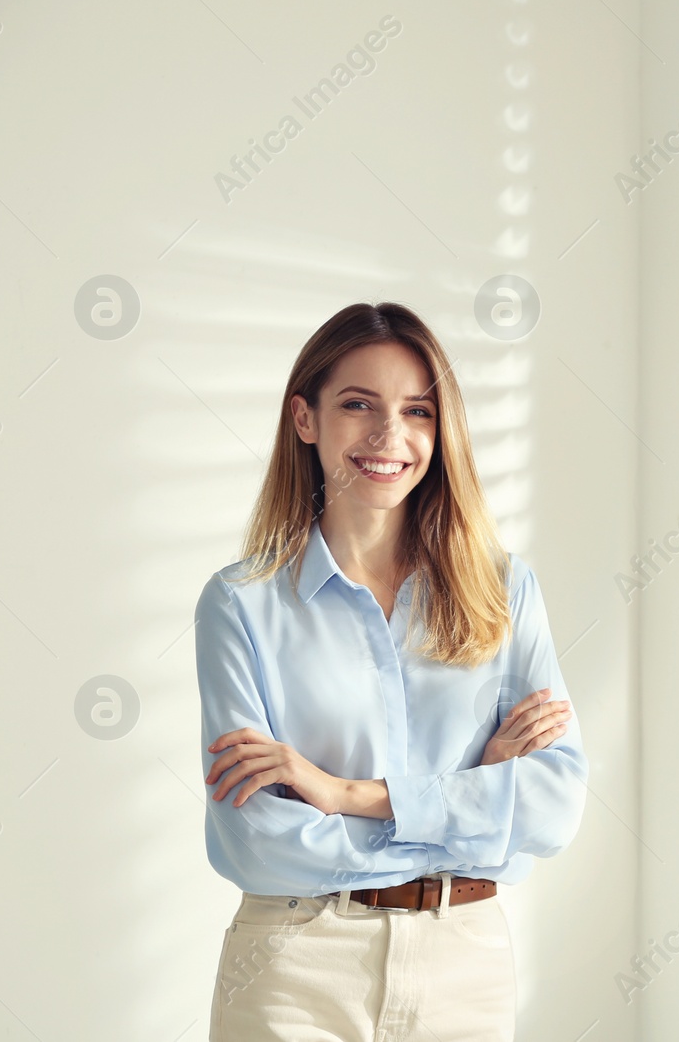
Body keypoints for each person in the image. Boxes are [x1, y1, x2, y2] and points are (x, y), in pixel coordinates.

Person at [193, 301, 587, 1040]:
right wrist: (473, 800)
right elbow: (259, 840)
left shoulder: (503, 591)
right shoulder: (240, 605)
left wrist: (346, 793)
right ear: (304, 418)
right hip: (297, 962)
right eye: (357, 404)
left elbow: (555, 805)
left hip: (464, 962)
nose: (389, 436)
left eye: (417, 411)